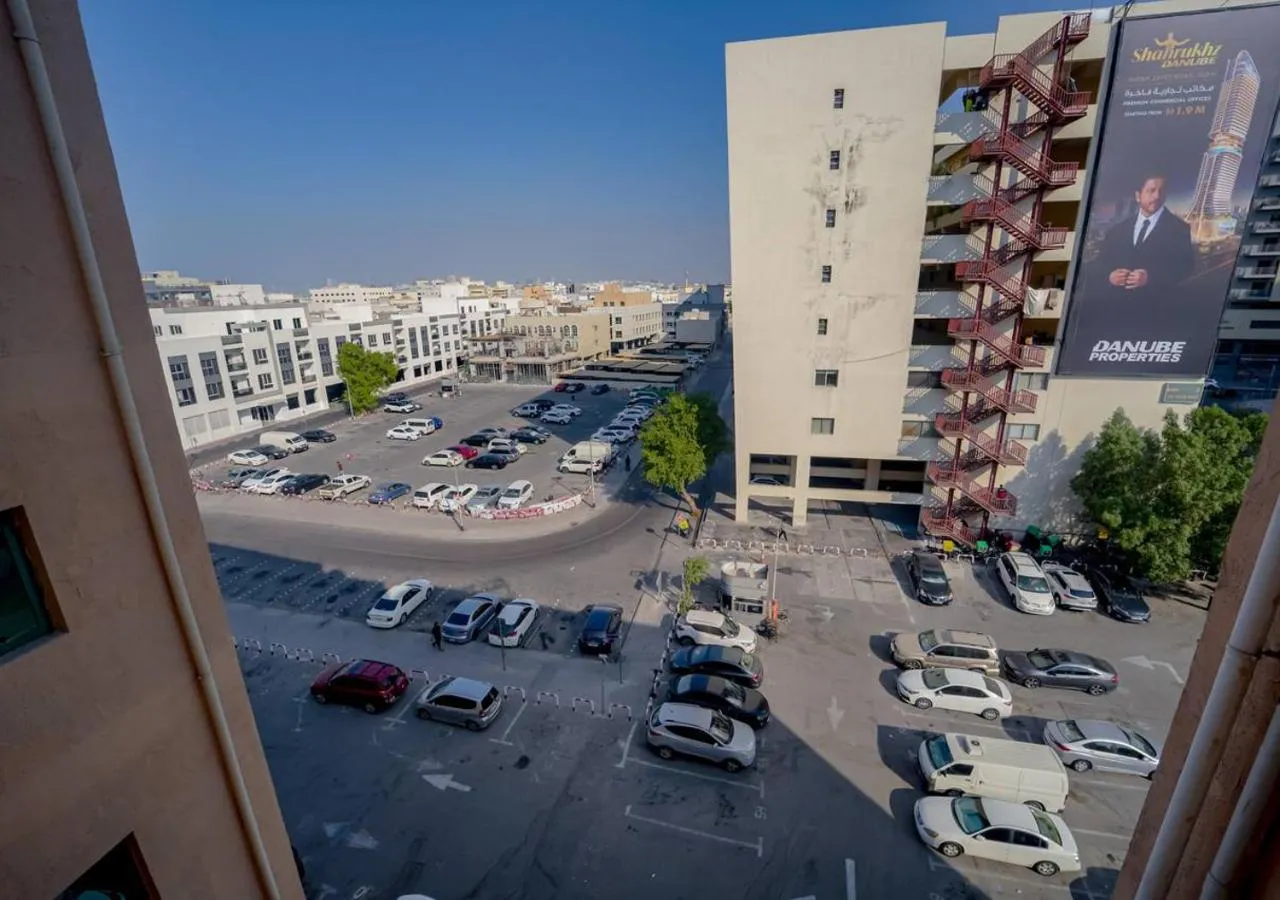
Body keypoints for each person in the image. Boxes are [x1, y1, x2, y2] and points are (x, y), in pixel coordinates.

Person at [1090, 174, 1194, 299]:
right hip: (1116, 307)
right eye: (1151, 190)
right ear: (1138, 196)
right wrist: (1109, 276)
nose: (1157, 196)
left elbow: (1185, 267)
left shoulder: (1179, 229)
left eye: (1161, 191)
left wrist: (1150, 277)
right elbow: (1100, 264)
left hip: (1159, 308)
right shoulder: (1117, 231)